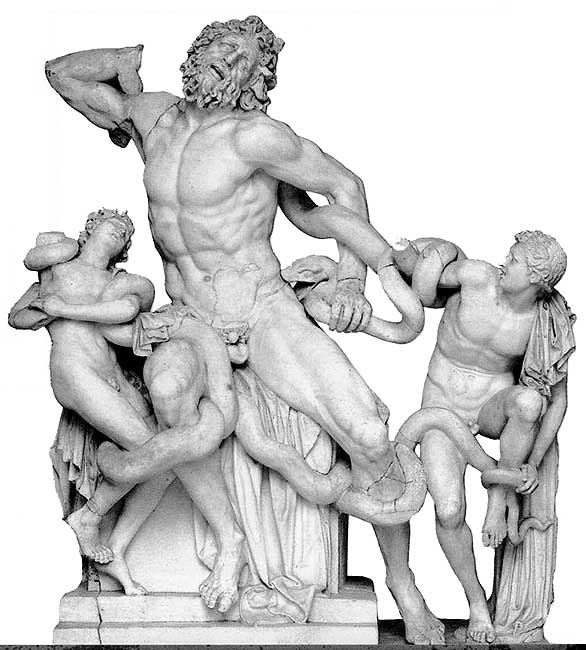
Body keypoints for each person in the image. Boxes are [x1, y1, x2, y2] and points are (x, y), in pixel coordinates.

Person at [45, 17, 424, 543]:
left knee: (367, 433)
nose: (227, 59)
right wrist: (122, 60)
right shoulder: (153, 117)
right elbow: (63, 76)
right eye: (222, 45)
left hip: (261, 310)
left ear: (256, 79)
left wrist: (350, 283)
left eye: (243, 57)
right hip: (188, 317)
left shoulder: (256, 137)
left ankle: (400, 577)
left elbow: (345, 187)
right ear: (197, 50)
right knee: (169, 394)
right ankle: (223, 539)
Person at [8, 209, 226, 602]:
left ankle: (115, 547)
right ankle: (89, 517)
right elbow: (16, 317)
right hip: (75, 370)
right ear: (90, 229)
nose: (119, 232)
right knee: (154, 452)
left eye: (125, 233)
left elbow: (125, 312)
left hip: (115, 376)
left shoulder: (119, 282)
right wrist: (44, 308)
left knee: (164, 464)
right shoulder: (58, 271)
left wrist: (64, 309)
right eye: (113, 225)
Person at [375, 231, 572, 644]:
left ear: (536, 279)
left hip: (490, 409)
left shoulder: (543, 322)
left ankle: (499, 498)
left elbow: (556, 401)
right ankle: (477, 601)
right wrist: (412, 252)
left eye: (514, 261)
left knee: (529, 402)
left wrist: (532, 464)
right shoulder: (477, 277)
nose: (504, 264)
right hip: (441, 408)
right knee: (449, 511)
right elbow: (420, 276)